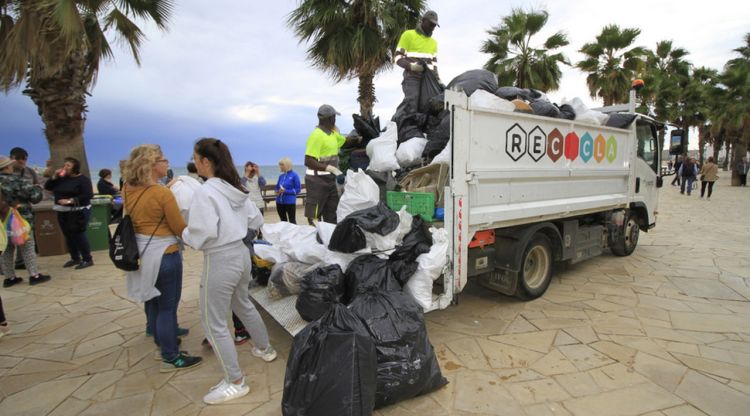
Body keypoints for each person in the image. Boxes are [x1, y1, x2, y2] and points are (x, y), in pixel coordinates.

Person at [182, 138, 277, 405]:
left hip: (221, 258)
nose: (194, 162)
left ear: (205, 161)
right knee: (243, 303)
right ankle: (265, 349)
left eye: (196, 157)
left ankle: (235, 381)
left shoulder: (206, 192)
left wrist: (182, 232)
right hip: (241, 254)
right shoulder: (234, 187)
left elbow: (202, 234)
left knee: (214, 322)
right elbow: (256, 219)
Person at [122, 145, 202, 372]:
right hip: (164, 253)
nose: (167, 163)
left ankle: (157, 332)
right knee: (168, 306)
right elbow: (179, 227)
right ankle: (171, 354)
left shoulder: (127, 188)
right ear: (151, 165)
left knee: (152, 298)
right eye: (162, 160)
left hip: (141, 251)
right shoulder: (162, 193)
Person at [304, 105, 360, 224]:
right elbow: (308, 160)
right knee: (315, 216)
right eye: (334, 117)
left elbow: (346, 142)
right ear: (331, 119)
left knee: (332, 212)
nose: (335, 120)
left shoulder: (332, 135)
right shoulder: (317, 135)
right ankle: (316, 238)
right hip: (316, 182)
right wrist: (332, 169)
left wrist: (359, 138)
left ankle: (330, 238)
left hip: (330, 181)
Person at [0, 155, 51, 286]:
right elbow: (35, 197)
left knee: (6, 248)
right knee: (27, 246)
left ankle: (9, 277)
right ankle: (34, 275)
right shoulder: (17, 181)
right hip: (21, 219)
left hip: (2, 221)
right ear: (7, 167)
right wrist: (38, 188)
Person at [44, 157, 95, 269]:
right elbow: (47, 187)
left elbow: (88, 195)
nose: (65, 167)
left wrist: (70, 200)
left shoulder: (83, 180)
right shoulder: (61, 178)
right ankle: (75, 258)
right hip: (62, 211)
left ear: (75, 168)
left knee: (78, 233)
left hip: (78, 211)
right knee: (68, 235)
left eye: (68, 166)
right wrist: (54, 177)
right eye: (64, 165)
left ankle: (87, 258)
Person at [394, 10, 440, 112]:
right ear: (423, 21)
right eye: (431, 24)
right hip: (412, 78)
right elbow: (398, 58)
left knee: (430, 107)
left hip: (428, 79)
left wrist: (438, 79)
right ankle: (408, 126)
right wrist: (412, 66)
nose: (433, 27)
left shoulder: (433, 43)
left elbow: (434, 64)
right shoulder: (409, 35)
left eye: (434, 25)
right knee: (412, 105)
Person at [275, 157, 301, 224]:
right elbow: (276, 187)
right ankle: (285, 234)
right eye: (280, 165)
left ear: (286, 165)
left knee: (292, 221)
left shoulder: (294, 175)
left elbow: (298, 189)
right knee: (283, 222)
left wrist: (286, 191)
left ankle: (294, 234)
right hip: (279, 202)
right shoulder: (281, 176)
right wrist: (278, 191)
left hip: (290, 202)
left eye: (281, 165)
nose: (280, 166)